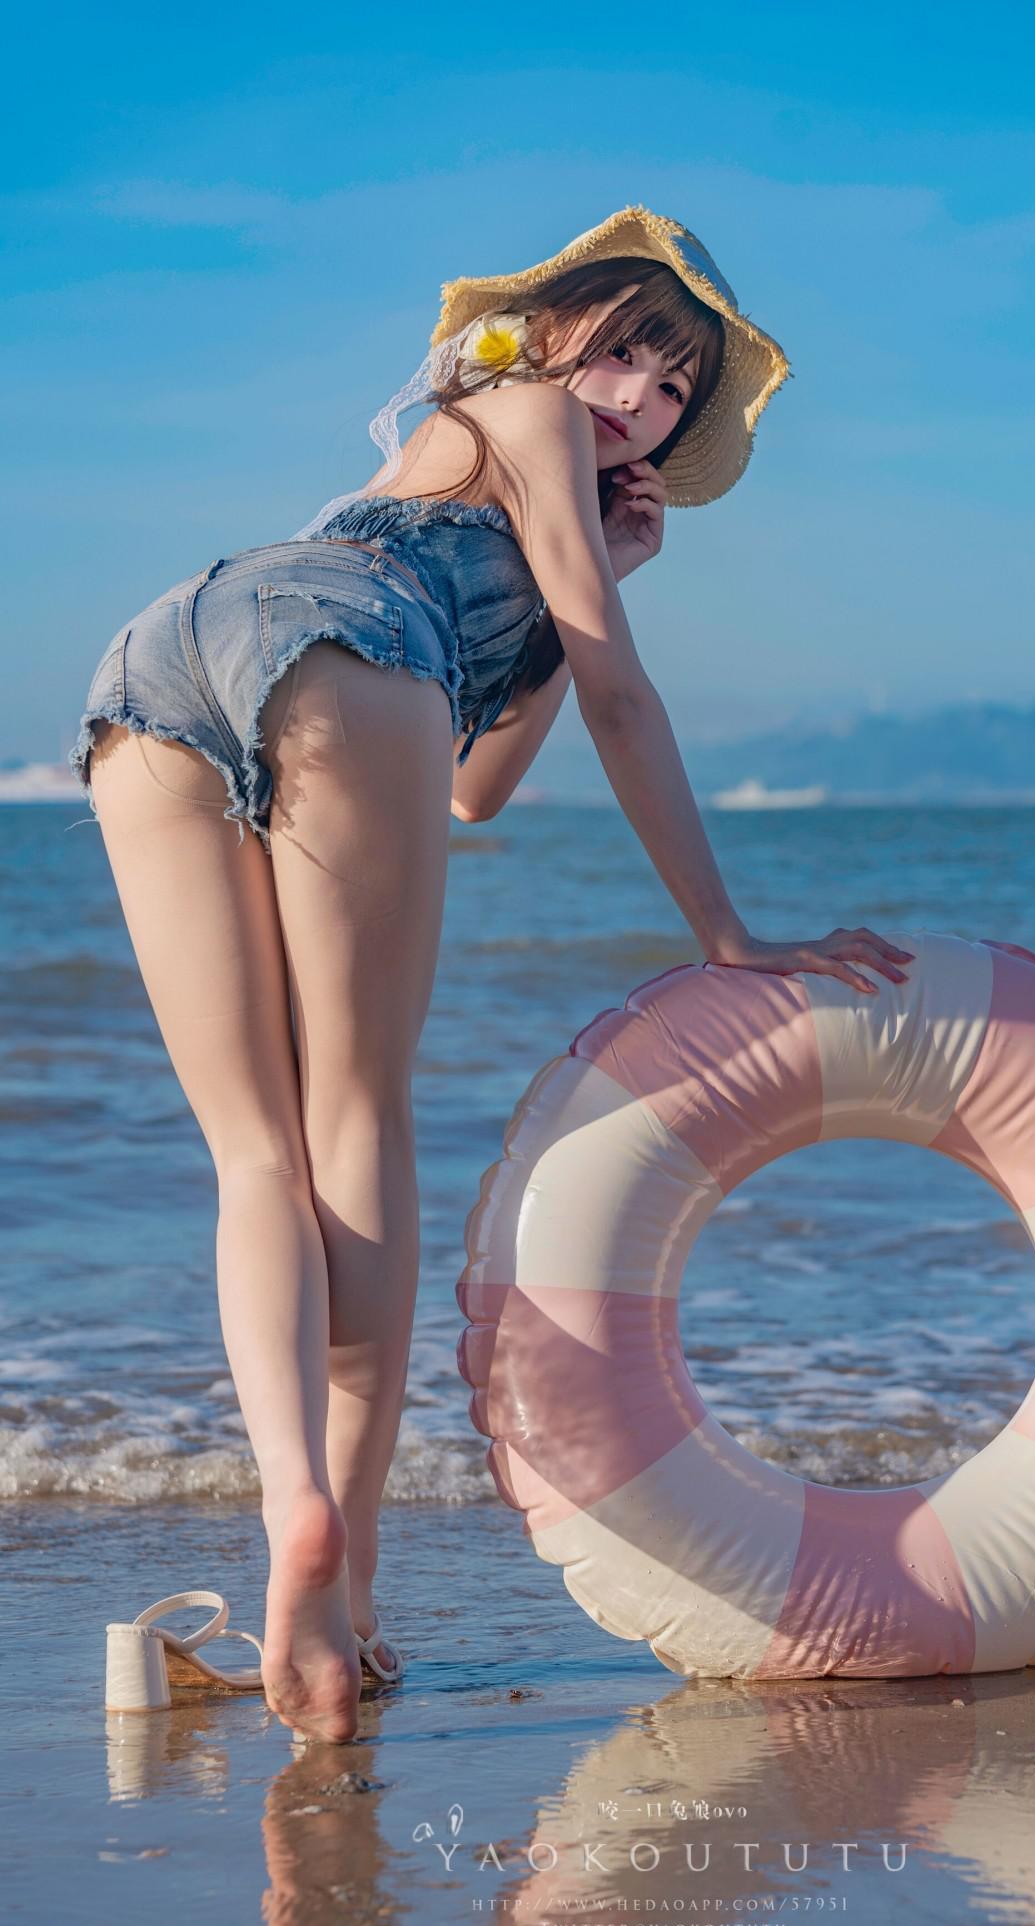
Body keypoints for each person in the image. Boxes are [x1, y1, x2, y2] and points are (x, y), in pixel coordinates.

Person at [68, 204, 916, 1743]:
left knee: (252, 1154)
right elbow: (614, 696)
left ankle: (293, 1514)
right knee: (354, 1126)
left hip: (155, 664)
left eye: (673, 386)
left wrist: (599, 562)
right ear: (551, 328)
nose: (644, 392)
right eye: (631, 346)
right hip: (338, 639)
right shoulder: (516, 405)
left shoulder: (480, 458)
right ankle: (344, 1563)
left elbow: (474, 785)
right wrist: (728, 933)